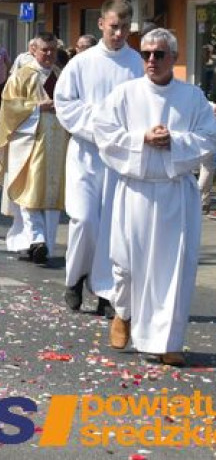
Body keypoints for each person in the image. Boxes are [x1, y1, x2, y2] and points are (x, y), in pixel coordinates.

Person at [96, 28, 216, 367]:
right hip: (135, 188)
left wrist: (174, 141)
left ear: (174, 58)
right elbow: (105, 134)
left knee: (174, 270)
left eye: (159, 54)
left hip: (175, 193)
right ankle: (124, 312)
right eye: (146, 53)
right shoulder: (125, 94)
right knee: (127, 265)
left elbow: (210, 139)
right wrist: (142, 139)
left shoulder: (193, 98)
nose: (151, 60)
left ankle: (167, 341)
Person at [54, 0, 144, 316]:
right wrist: (99, 125)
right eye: (113, 26)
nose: (118, 33)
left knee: (113, 225)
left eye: (124, 27)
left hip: (119, 158)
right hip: (86, 154)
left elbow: (143, 108)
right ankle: (75, 278)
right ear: (101, 24)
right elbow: (65, 103)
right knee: (84, 220)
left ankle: (106, 288)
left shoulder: (137, 64)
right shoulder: (82, 62)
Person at [0, 33, 68, 265]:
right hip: (29, 143)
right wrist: (37, 107)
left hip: (57, 144)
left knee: (52, 196)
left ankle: (42, 242)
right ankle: (36, 240)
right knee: (29, 192)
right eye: (45, 50)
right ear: (33, 50)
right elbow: (9, 108)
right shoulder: (22, 75)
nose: (49, 55)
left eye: (53, 50)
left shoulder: (62, 76)